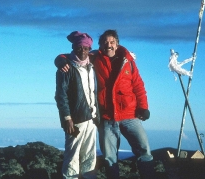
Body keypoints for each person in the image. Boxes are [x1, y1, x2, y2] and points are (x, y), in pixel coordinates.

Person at [55, 29, 155, 179]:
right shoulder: (94, 58)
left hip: (130, 115)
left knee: (144, 150)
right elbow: (71, 55)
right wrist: (60, 60)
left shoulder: (128, 62)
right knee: (109, 157)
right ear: (100, 45)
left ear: (117, 44)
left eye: (112, 42)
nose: (109, 45)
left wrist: (144, 107)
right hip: (107, 117)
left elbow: (138, 86)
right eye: (105, 42)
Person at [54, 31, 100, 179]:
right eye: (79, 48)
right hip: (75, 120)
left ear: (89, 49)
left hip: (91, 118)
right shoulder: (66, 68)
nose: (82, 51)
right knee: (72, 155)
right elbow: (61, 95)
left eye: (86, 48)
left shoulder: (92, 67)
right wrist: (67, 118)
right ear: (73, 48)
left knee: (89, 154)